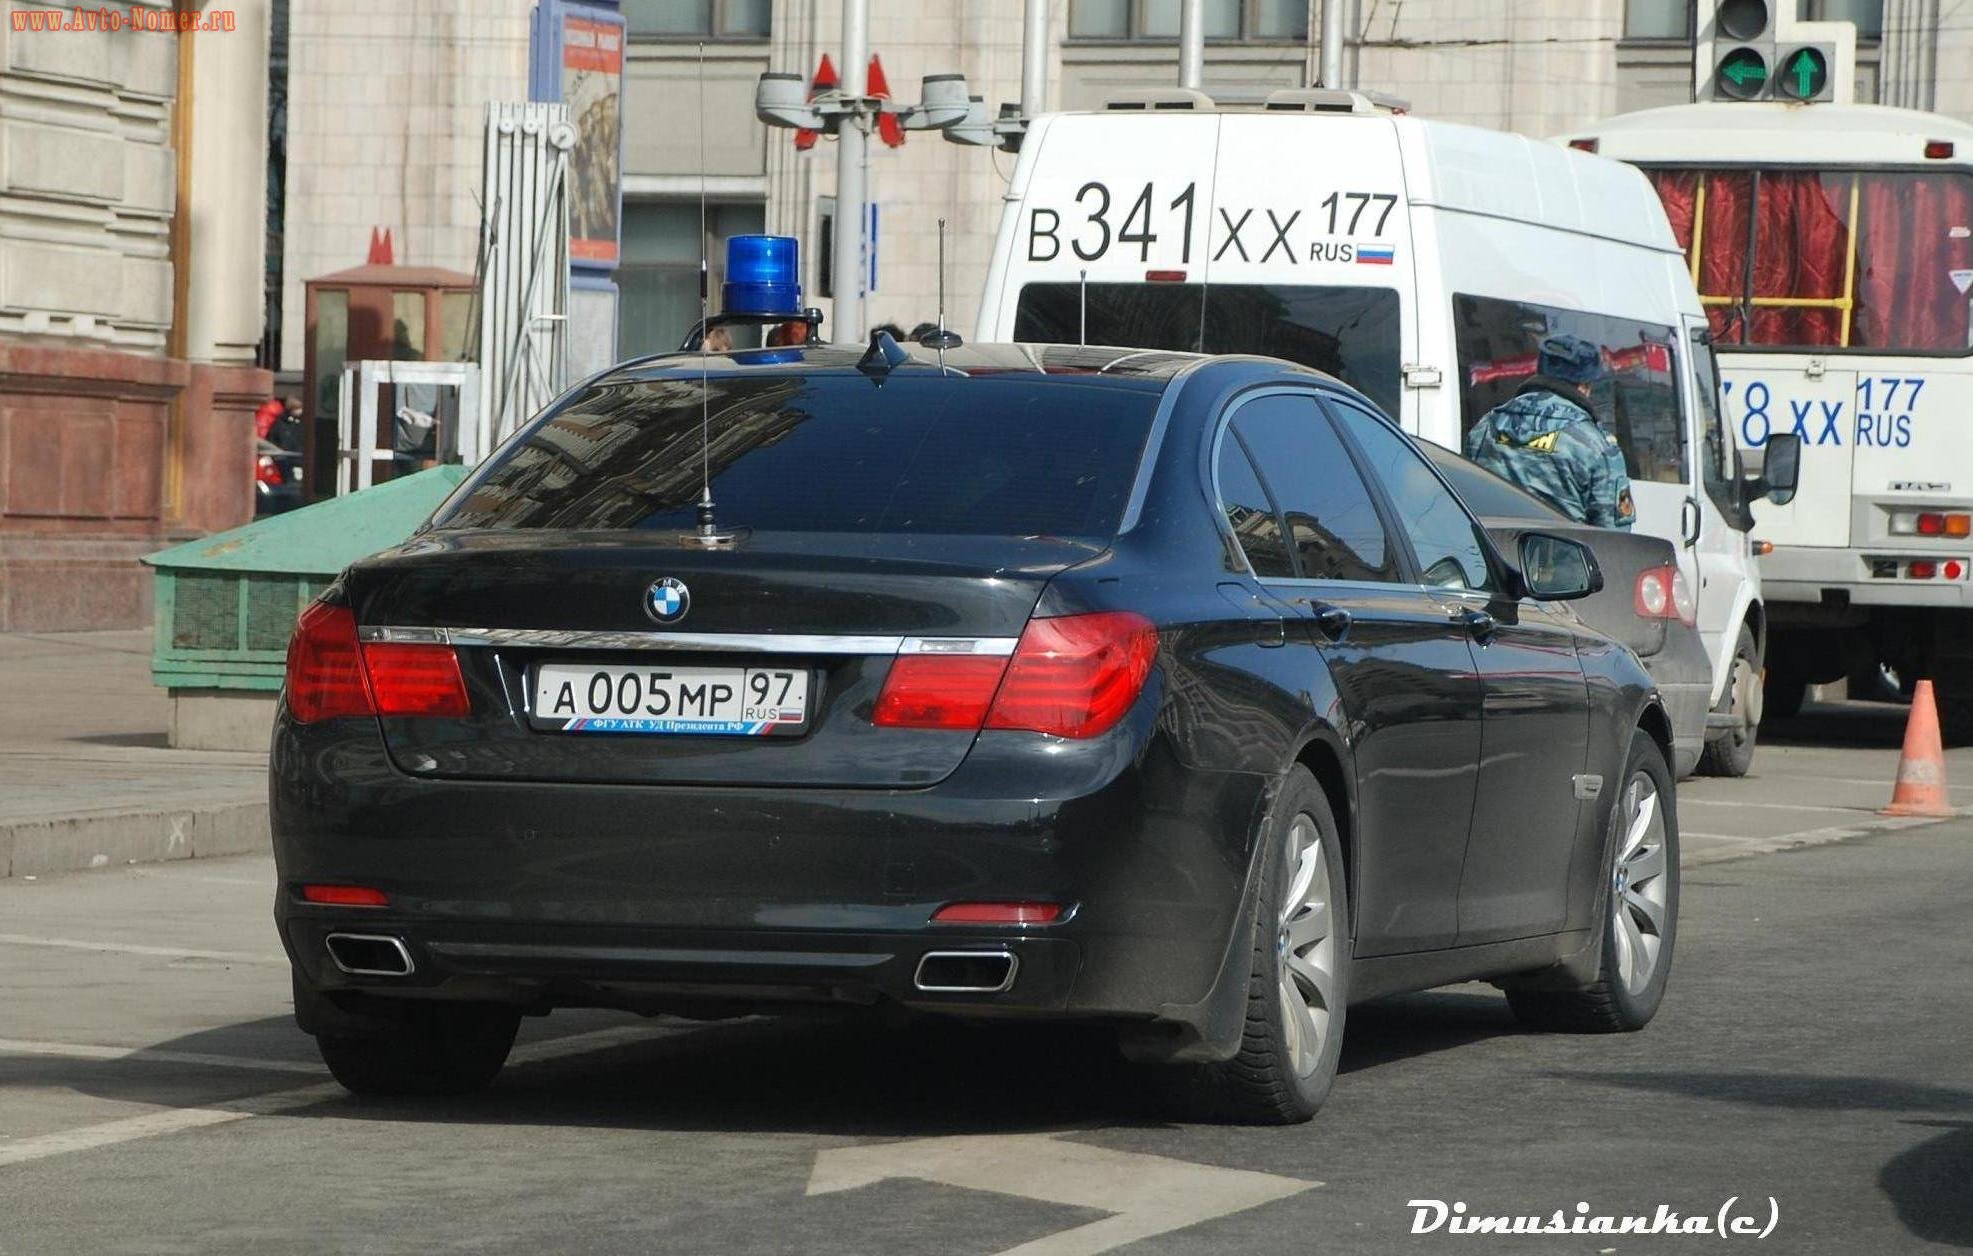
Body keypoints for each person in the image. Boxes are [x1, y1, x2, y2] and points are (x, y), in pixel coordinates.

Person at [1464, 333, 1635, 530]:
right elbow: (1615, 538)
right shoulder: (1597, 446)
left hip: (1489, 558)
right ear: (1584, 386)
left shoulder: (1487, 425)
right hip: (1561, 559)